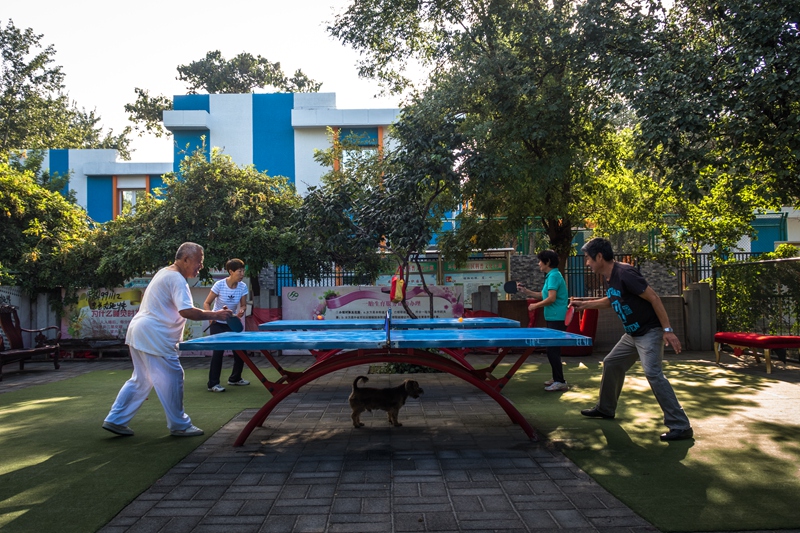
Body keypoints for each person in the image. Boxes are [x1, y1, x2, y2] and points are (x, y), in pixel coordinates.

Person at [102, 242, 233, 438]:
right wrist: (216, 315)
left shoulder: (164, 273)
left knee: (141, 379)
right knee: (173, 376)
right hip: (154, 335)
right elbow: (186, 311)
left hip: (139, 331)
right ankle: (180, 425)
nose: (201, 266)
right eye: (199, 261)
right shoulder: (176, 279)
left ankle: (115, 419)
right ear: (185, 259)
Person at [571, 237, 693, 441]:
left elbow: (654, 298)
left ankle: (681, 425)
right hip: (632, 334)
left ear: (599, 257)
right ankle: (606, 408)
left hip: (649, 332)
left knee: (653, 373)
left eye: (588, 258)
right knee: (611, 363)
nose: (587, 263)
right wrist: (584, 305)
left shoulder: (625, 273)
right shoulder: (608, 276)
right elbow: (612, 300)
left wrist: (668, 330)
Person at [517, 250, 570, 391]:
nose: (538, 263)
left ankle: (560, 381)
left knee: (553, 350)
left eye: (540, 261)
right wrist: (526, 291)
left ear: (548, 262)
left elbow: (551, 298)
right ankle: (556, 377)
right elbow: (543, 295)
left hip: (557, 318)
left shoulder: (554, 276)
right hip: (553, 317)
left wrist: (535, 306)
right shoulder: (551, 276)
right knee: (552, 349)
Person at [203, 258, 250, 392]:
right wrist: (211, 317)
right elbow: (207, 303)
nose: (242, 274)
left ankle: (235, 378)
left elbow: (243, 305)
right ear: (231, 272)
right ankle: (213, 384)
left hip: (231, 322)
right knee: (218, 352)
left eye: (243, 271)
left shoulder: (243, 286)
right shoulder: (219, 285)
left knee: (240, 351)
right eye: (239, 271)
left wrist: (242, 311)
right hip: (217, 323)